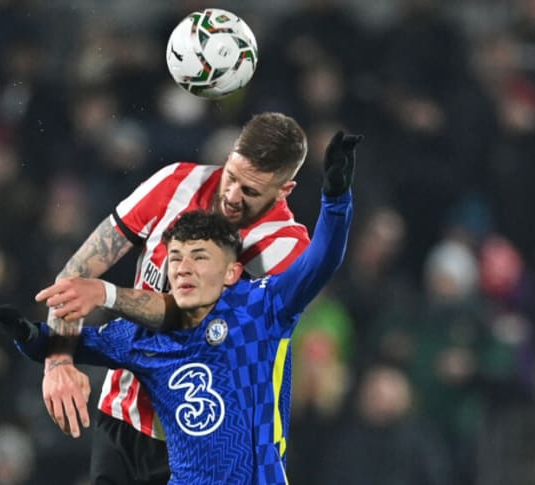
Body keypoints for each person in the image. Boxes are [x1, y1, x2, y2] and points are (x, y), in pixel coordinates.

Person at [26, 112, 360, 484]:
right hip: (123, 417)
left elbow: (191, 323)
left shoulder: (282, 249)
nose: (232, 197)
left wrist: (107, 294)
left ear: (285, 190)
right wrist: (58, 360)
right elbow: (77, 272)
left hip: (213, 442)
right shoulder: (176, 183)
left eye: (250, 192)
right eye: (231, 176)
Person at [0, 187, 354, 483]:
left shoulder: (261, 310)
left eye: (199, 257)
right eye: (175, 258)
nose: (183, 268)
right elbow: (62, 343)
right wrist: (23, 331)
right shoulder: (142, 337)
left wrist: (336, 199)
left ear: (231, 272)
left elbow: (321, 260)